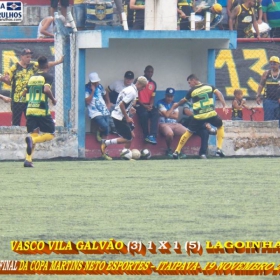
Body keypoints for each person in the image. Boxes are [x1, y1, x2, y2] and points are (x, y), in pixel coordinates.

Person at [0, 49, 64, 126]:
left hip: (29, 99)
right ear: (21, 57)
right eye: (27, 57)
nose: (29, 59)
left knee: (30, 119)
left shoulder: (33, 65)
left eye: (30, 57)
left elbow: (46, 65)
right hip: (17, 99)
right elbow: (7, 79)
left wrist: (59, 61)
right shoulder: (14, 67)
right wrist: (5, 78)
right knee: (16, 121)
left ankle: (31, 134)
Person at [173, 74, 228, 159]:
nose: (189, 84)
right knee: (220, 126)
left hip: (199, 116)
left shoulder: (192, 91)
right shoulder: (210, 86)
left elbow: (183, 101)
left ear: (194, 80)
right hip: (210, 114)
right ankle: (219, 149)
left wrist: (176, 105)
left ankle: (177, 151)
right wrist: (224, 105)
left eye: (189, 82)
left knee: (188, 132)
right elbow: (219, 94)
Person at [101, 76, 148, 158]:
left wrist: (130, 109)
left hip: (120, 115)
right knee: (128, 138)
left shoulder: (129, 88)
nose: (143, 89)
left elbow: (122, 102)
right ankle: (106, 142)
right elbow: (122, 104)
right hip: (119, 117)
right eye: (143, 86)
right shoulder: (132, 92)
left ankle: (125, 154)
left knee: (131, 136)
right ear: (139, 84)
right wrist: (127, 117)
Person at [23, 56, 57, 168]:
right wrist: (53, 99)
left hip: (30, 108)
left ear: (38, 65)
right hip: (41, 109)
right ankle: (32, 140)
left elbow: (24, 92)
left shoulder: (32, 77)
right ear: (47, 65)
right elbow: (46, 89)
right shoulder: (48, 76)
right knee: (51, 134)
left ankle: (28, 160)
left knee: (34, 132)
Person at [85, 72, 112, 160]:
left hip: (104, 110)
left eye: (97, 82)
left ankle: (104, 152)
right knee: (104, 126)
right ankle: (99, 130)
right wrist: (92, 91)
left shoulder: (100, 87)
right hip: (94, 112)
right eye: (94, 82)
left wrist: (108, 103)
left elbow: (105, 93)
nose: (96, 83)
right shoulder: (86, 88)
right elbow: (88, 101)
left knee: (107, 129)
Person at [157, 88, 188, 158]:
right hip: (163, 124)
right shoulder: (160, 103)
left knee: (187, 132)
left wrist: (166, 113)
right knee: (170, 134)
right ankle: (169, 149)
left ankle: (178, 150)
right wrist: (172, 109)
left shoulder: (174, 103)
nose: (169, 98)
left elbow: (176, 116)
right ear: (165, 95)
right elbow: (167, 115)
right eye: (168, 96)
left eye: (171, 96)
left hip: (174, 124)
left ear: (173, 97)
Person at [135, 65, 159, 144]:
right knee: (144, 114)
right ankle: (146, 135)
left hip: (148, 105)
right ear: (144, 71)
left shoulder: (153, 83)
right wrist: (144, 106)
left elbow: (153, 96)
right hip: (139, 104)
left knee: (156, 113)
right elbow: (135, 96)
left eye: (151, 72)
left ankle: (152, 136)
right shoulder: (138, 81)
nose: (150, 73)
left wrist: (151, 105)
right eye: (148, 71)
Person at [256, 56, 280, 124]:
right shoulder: (266, 73)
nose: (272, 65)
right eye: (271, 64)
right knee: (269, 120)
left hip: (278, 100)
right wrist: (258, 96)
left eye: (274, 63)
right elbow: (261, 85)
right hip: (268, 99)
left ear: (279, 64)